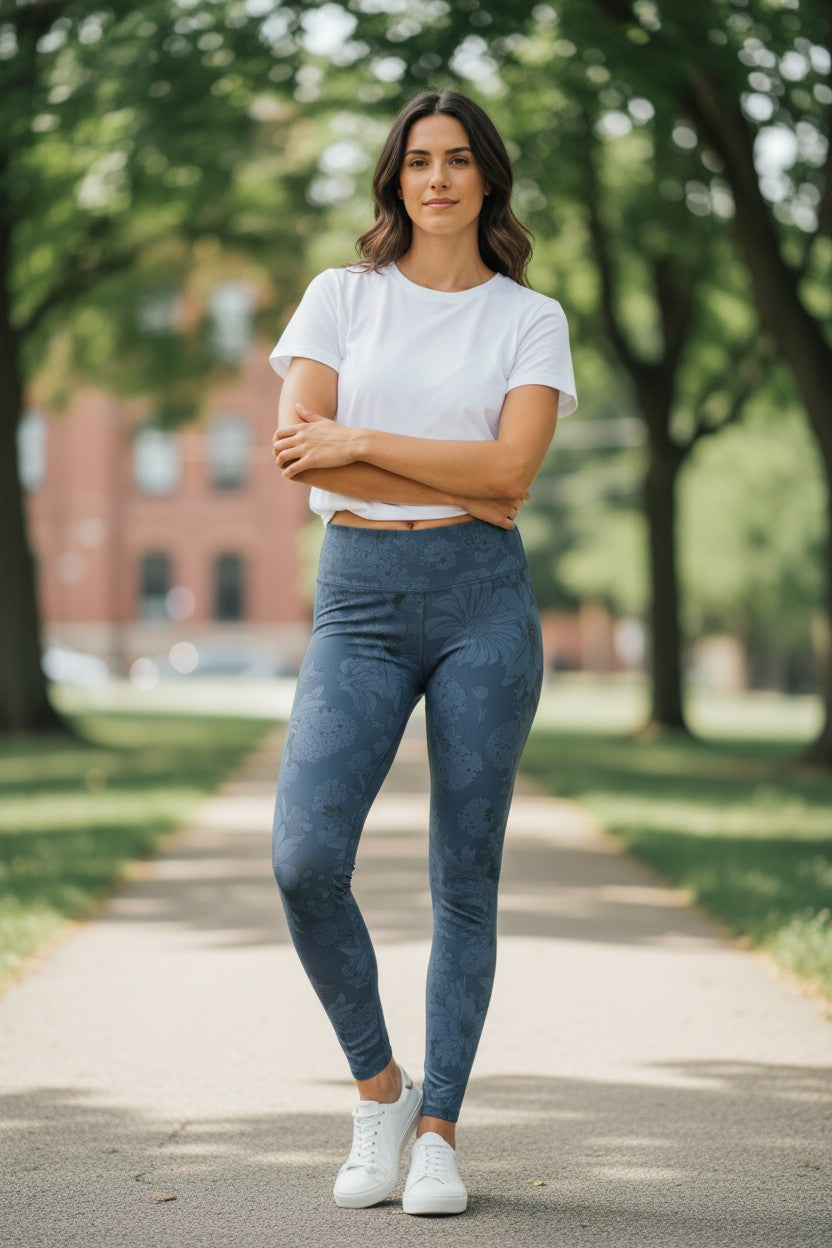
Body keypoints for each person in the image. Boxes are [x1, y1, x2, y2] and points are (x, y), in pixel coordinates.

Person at [268, 88, 577, 1216]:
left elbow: (511, 481)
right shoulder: (339, 299)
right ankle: (380, 1092)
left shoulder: (528, 319)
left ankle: (439, 1126)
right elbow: (305, 457)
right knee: (304, 857)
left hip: (482, 605)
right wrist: (399, 458)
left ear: (486, 178)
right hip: (357, 597)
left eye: (456, 160)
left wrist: (364, 439)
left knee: (466, 876)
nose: (436, 178)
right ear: (394, 179)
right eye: (415, 161)